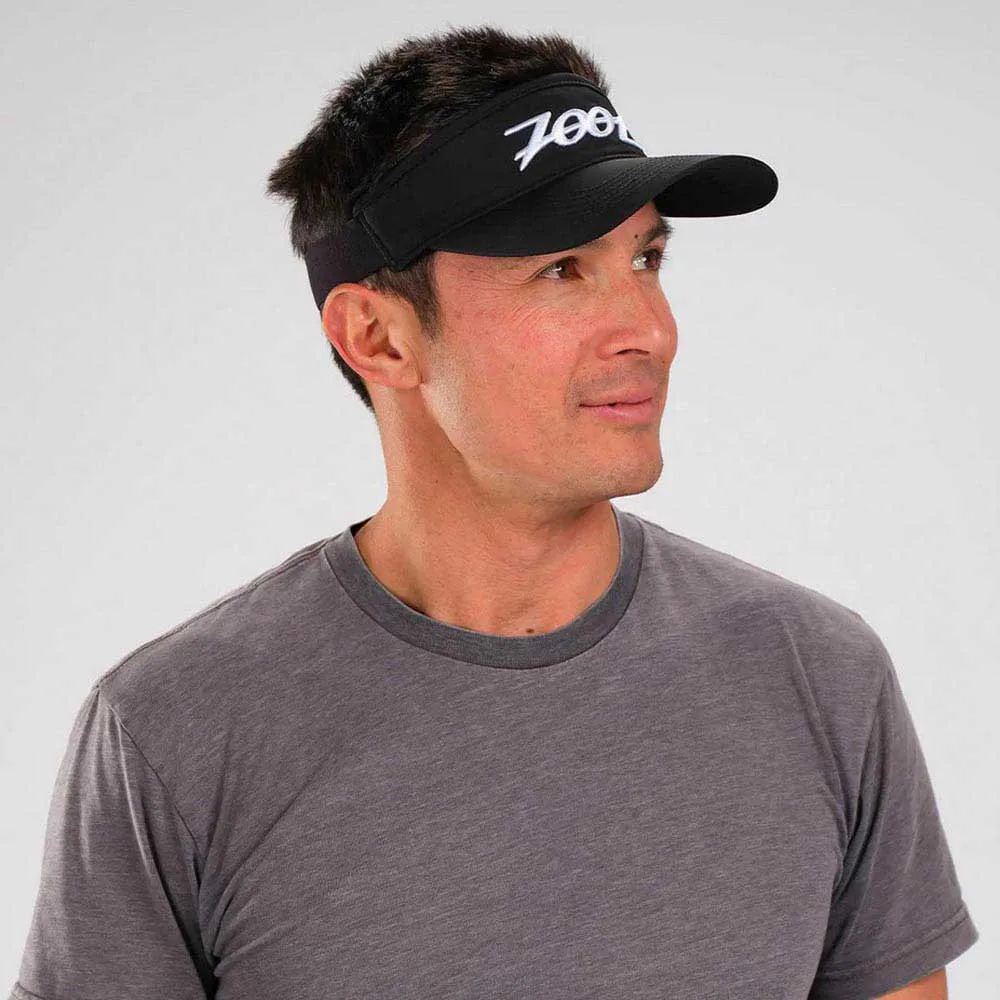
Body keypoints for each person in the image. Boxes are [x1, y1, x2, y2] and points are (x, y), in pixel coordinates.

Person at [8, 25, 978, 1000]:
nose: (647, 330)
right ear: (378, 337)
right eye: (562, 270)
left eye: (646, 259)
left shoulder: (815, 674)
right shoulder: (176, 733)